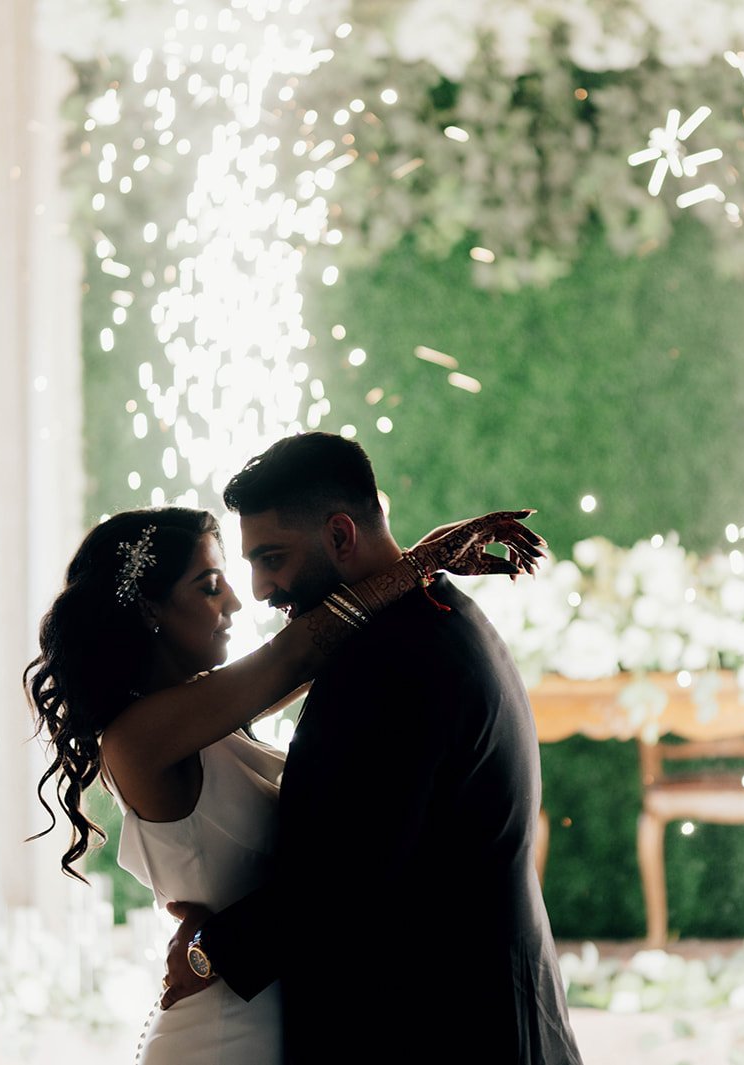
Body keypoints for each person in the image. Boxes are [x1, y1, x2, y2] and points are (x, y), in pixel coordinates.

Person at [26, 500, 544, 1064]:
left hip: (271, 1011)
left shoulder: (212, 714)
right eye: (209, 586)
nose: (235, 601)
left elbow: (315, 654)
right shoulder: (138, 738)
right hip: (222, 1036)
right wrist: (419, 562)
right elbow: (297, 655)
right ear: (151, 607)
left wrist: (414, 563)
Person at [160, 433, 583, 1065]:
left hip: (443, 1027)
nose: (262, 588)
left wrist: (210, 951)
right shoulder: (433, 615)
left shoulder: (390, 661)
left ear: (339, 536)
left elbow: (345, 876)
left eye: (271, 557)